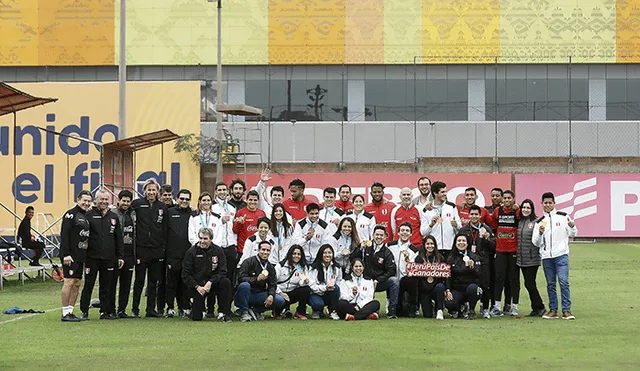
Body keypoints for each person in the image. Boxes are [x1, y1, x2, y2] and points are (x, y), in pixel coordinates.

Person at [80, 190, 124, 320]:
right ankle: (84, 311)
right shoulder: (88, 215)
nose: (104, 202)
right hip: (92, 257)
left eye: (106, 199)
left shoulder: (113, 217)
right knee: (89, 284)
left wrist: (120, 256)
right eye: (101, 199)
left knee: (106, 286)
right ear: (96, 200)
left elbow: (119, 238)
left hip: (109, 257)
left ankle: (104, 312)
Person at [532, 192, 578, 320]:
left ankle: (566, 310)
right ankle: (553, 310)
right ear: (542, 204)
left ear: (554, 203)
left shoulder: (563, 217)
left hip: (561, 255)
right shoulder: (540, 222)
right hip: (547, 256)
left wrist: (572, 227)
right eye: (545, 203)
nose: (547, 205)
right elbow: (535, 242)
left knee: (563, 282)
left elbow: (573, 233)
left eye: (550, 203)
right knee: (550, 284)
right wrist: (540, 234)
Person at [131, 178, 168, 318]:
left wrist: (163, 246)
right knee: (139, 280)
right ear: (144, 190)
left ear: (157, 191)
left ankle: (150, 310)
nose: (151, 192)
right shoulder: (137, 204)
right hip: (142, 248)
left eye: (154, 190)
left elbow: (164, 228)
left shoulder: (162, 207)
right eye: (149, 189)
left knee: (153, 281)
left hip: (157, 249)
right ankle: (135, 309)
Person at [182, 227, 232, 322]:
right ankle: (194, 308)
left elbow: (223, 271)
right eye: (200, 238)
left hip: (213, 284)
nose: (202, 241)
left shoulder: (218, 251)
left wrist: (211, 282)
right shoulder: (191, 252)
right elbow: (185, 274)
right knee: (197, 317)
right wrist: (197, 286)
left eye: (205, 239)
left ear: (211, 239)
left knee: (226, 282)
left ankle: (225, 312)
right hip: (198, 286)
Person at [350, 225, 398, 318]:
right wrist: (359, 248)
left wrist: (378, 280)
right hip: (365, 281)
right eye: (377, 235)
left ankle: (392, 310)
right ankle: (362, 310)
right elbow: (353, 259)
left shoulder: (387, 252)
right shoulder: (366, 247)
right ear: (372, 235)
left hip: (379, 282)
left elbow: (391, 270)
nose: (379, 237)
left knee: (394, 281)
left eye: (381, 235)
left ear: (385, 237)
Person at [60, 190, 92, 322]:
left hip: (81, 255)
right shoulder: (70, 214)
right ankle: (64, 313)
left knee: (77, 283)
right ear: (78, 200)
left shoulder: (86, 216)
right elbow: (64, 235)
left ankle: (70, 311)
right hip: (71, 255)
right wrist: (66, 254)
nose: (86, 203)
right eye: (84, 200)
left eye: (89, 201)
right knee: (69, 282)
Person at [487, 190, 520, 317]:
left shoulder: (517, 211)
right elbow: (492, 224)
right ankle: (497, 306)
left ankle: (514, 307)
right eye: (505, 198)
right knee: (498, 278)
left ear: (513, 199)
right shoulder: (497, 211)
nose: (506, 200)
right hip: (500, 250)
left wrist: (520, 207)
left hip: (513, 250)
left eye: (509, 198)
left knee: (514, 279)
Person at [459, 205, 495, 319]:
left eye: (476, 214)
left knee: (485, 285)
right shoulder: (464, 230)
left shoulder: (486, 229)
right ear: (468, 215)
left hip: (483, 261)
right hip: (468, 260)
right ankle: (467, 307)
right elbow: (458, 244)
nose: (474, 216)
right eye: (472, 214)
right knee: (468, 284)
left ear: (480, 215)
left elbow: (494, 246)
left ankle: (485, 309)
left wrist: (487, 238)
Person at [235, 241, 286, 322]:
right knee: (245, 285)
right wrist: (256, 279)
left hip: (259, 295)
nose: (265, 252)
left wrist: (271, 295)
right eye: (263, 249)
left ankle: (256, 311)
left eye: (268, 250)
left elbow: (273, 284)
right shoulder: (248, 262)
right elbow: (240, 278)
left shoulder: (270, 267)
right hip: (245, 294)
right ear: (258, 250)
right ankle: (244, 312)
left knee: (280, 300)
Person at [164, 189, 194, 318]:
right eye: (182, 198)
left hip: (188, 254)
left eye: (187, 199)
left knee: (185, 283)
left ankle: (184, 307)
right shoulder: (170, 212)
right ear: (177, 199)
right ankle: (170, 307)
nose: (184, 201)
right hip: (173, 254)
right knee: (171, 282)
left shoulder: (193, 214)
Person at [517, 199, 546, 317]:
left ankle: (540, 307)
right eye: (524, 207)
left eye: (528, 208)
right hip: (521, 258)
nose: (525, 210)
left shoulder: (537, 222)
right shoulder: (520, 221)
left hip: (532, 258)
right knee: (528, 283)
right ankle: (536, 308)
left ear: (532, 209)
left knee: (529, 283)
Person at [408, 235, 446, 320]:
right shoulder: (419, 258)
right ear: (424, 245)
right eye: (428, 244)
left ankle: (439, 309)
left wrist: (447, 289)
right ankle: (430, 305)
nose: (430, 246)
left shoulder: (440, 258)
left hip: (436, 287)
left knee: (440, 287)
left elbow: (444, 276)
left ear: (435, 245)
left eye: (432, 244)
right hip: (424, 289)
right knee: (427, 315)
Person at [445, 233, 482, 320]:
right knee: (449, 302)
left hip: (471, 287)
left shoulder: (474, 256)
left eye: (463, 241)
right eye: (459, 241)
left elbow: (479, 274)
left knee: (473, 288)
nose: (461, 243)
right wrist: (448, 290)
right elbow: (448, 276)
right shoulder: (451, 258)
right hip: (457, 288)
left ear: (467, 243)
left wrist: (473, 268)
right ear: (455, 243)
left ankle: (471, 310)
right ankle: (460, 309)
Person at [112, 190, 136, 318]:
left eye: (128, 201)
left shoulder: (133, 213)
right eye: (124, 201)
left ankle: (121, 310)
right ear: (119, 200)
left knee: (126, 284)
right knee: (112, 283)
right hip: (116, 254)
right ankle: (110, 309)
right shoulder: (113, 213)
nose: (126, 203)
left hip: (130, 254)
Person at [420, 181, 460, 259]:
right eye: (442, 192)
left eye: (445, 191)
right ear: (435, 193)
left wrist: (456, 225)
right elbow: (423, 232)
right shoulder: (426, 210)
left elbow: (459, 227)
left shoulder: (452, 207)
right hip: (434, 249)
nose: (445, 194)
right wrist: (431, 225)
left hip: (450, 248)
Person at [387, 222, 418, 317]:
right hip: (393, 279)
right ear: (398, 233)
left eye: (407, 231)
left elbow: (414, 268)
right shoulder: (389, 245)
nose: (405, 232)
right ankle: (391, 306)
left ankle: (413, 307)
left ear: (411, 234)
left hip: (406, 280)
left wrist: (408, 260)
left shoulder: (414, 250)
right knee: (398, 312)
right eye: (402, 230)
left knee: (412, 280)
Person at [274, 245, 311, 320]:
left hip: (291, 293)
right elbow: (272, 283)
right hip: (279, 292)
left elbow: (300, 284)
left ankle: (300, 312)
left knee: (306, 289)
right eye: (294, 254)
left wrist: (304, 281)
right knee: (279, 302)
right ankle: (278, 311)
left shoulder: (302, 267)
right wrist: (281, 293)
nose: (296, 256)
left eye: (299, 254)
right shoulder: (280, 265)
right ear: (290, 254)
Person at [211, 182, 238, 282]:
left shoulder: (232, 207)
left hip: (231, 245)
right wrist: (220, 221)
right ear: (216, 192)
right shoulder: (212, 207)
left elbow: (234, 226)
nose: (222, 192)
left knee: (230, 274)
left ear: (228, 191)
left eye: (224, 190)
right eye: (219, 190)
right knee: (216, 273)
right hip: (218, 245)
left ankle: (228, 297)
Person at [309, 244, 342, 319]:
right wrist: (325, 288)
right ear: (321, 254)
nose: (327, 255)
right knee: (318, 304)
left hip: (329, 293)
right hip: (315, 293)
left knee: (336, 288)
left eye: (329, 253)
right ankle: (317, 310)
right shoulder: (313, 268)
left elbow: (339, 282)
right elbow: (312, 286)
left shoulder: (337, 268)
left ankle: (332, 310)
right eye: (325, 253)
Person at [234, 190, 267, 262]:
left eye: (255, 200)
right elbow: (235, 231)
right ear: (246, 200)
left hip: (258, 250)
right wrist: (239, 223)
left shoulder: (262, 213)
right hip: (243, 249)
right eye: (250, 200)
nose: (253, 202)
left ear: (258, 201)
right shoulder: (240, 213)